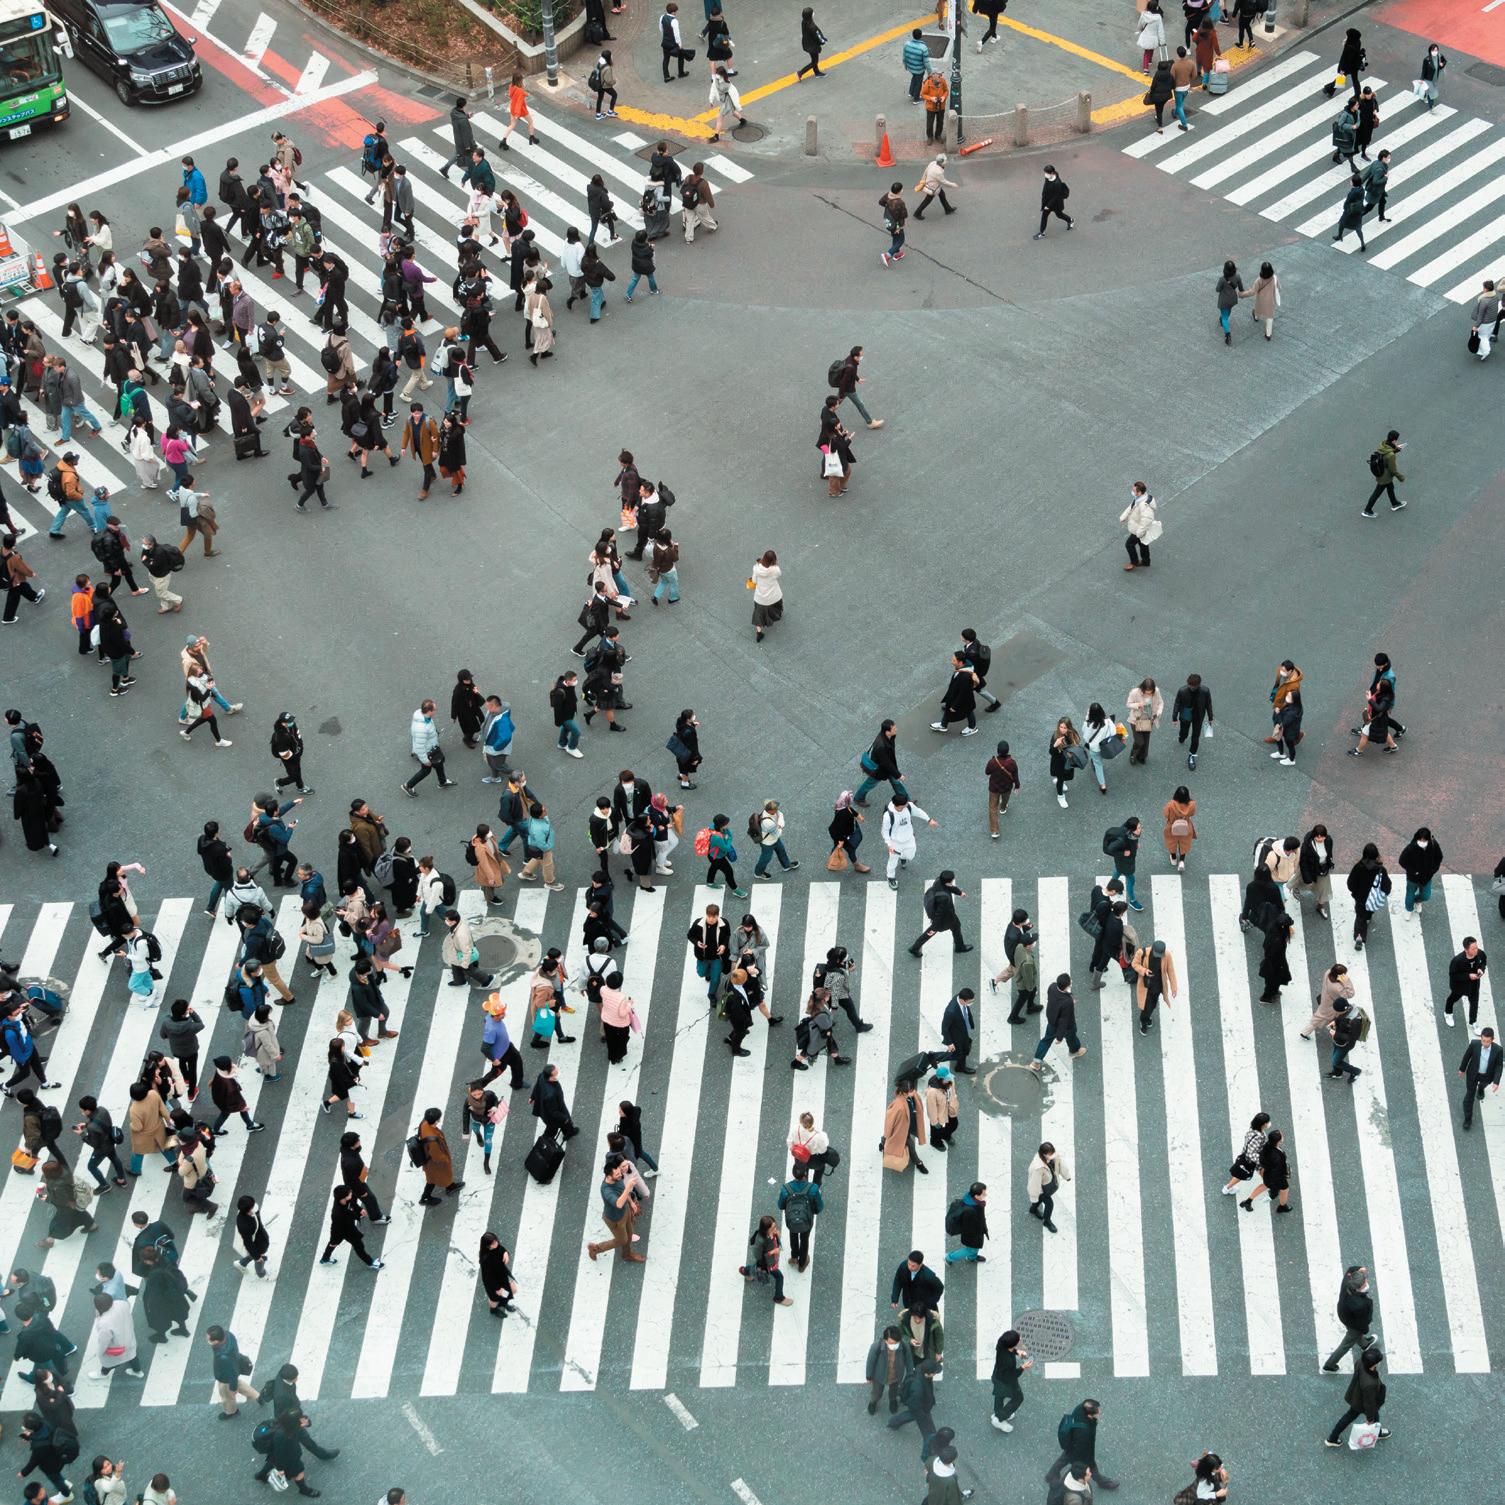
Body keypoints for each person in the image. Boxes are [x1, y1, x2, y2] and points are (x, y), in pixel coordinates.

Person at [1325, 1345, 1389, 1448]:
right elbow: (1369, 1403)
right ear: (1374, 1364)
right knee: (1366, 1413)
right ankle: (1332, 1438)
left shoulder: (1360, 1362)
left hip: (1356, 1394)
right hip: (1361, 1402)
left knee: (1353, 1415)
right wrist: (1369, 1418)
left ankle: (1333, 1438)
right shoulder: (1370, 1384)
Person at [587, 1152, 644, 1262]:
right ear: (608, 1176)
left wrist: (631, 1203)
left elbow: (622, 1191)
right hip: (615, 1219)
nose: (620, 1175)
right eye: (617, 1174)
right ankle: (596, 1248)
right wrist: (629, 1187)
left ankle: (627, 1254)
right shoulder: (606, 1190)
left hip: (625, 1211)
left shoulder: (617, 1178)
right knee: (622, 1240)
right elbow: (618, 1204)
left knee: (630, 1234)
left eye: (619, 1172)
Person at [882, 793, 937, 893]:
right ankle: (890, 877)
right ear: (899, 806)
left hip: (909, 838)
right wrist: (889, 845)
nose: (908, 804)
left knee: (910, 855)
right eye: (905, 804)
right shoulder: (888, 816)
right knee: (893, 861)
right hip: (895, 842)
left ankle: (903, 857)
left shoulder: (908, 807)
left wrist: (929, 820)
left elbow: (918, 812)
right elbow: (885, 831)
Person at [776, 1161, 823, 1271]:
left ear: (793, 1174)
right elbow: (819, 1207)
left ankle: (794, 1257)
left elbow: (780, 1205)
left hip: (791, 1220)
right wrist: (813, 1211)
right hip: (807, 1220)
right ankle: (802, 1264)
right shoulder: (813, 1188)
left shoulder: (786, 1188)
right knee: (804, 1239)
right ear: (805, 1174)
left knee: (793, 1235)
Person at [1030, 975, 1085, 1070]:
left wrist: (1069, 999)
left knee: (1046, 1040)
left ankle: (1036, 1062)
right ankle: (1074, 1051)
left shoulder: (1052, 987)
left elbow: (1055, 999)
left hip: (1052, 1020)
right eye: (1070, 983)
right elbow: (1064, 1021)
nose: (1071, 982)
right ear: (1066, 987)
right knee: (1071, 1036)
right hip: (1067, 1026)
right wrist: (1059, 1037)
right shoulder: (1067, 1002)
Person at [911, 871, 971, 956]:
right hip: (946, 918)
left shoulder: (938, 881)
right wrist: (935, 925)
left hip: (945, 916)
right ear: (949, 881)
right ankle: (960, 947)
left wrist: (959, 892)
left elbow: (950, 887)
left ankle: (915, 948)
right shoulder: (944, 899)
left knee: (955, 926)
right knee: (951, 927)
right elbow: (940, 913)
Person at [867, 1325, 914, 1416]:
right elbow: (870, 1362)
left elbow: (909, 1360)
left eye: (896, 1343)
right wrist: (869, 1376)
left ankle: (893, 1401)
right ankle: (873, 1402)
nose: (894, 1345)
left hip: (896, 1375)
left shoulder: (904, 1346)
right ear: (885, 1340)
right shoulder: (876, 1347)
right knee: (877, 1392)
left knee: (894, 1391)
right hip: (880, 1375)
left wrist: (910, 1373)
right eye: (891, 1343)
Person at [883, 1082, 928, 1175]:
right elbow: (890, 1120)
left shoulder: (912, 1096)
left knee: (888, 1138)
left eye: (913, 1090)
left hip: (908, 1125)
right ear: (904, 1093)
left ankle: (882, 1143)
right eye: (911, 1091)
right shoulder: (898, 1105)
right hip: (901, 1129)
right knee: (910, 1145)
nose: (913, 1092)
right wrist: (888, 1132)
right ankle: (918, 1163)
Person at [1460, 1028, 1502, 1130]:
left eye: (1488, 1041)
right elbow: (1467, 1056)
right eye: (1483, 1040)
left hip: (1487, 1075)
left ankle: (1481, 1088)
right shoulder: (1474, 1044)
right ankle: (1468, 1119)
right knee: (1469, 1097)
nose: (1485, 1043)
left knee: (1483, 1085)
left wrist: (1496, 1081)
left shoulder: (1498, 1050)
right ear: (1481, 1038)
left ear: (1492, 1040)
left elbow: (1499, 1065)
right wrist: (1462, 1069)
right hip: (1473, 1074)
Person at [1396, 826, 1441, 917]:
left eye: (1425, 840)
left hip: (1426, 877)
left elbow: (1439, 857)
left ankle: (1417, 901)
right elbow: (1402, 861)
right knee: (1410, 895)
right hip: (1413, 878)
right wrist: (1413, 872)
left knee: (1426, 896)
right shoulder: (1411, 848)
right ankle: (1409, 909)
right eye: (1420, 839)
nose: (1422, 842)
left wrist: (1433, 870)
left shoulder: (1433, 845)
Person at [1445, 938, 1488, 1028]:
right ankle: (1448, 1013)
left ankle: (1473, 1022)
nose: (1476, 950)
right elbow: (1453, 975)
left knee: (1474, 1004)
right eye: (1473, 949)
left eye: (1476, 947)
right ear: (1466, 949)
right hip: (1460, 986)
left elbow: (1483, 962)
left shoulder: (1480, 954)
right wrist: (1468, 976)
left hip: (1474, 985)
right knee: (1453, 999)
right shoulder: (1457, 961)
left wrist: (1481, 969)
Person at [1361, 429, 1406, 517]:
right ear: (1394, 441)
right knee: (1377, 493)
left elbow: (1386, 454)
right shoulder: (1391, 455)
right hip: (1385, 477)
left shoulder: (1383, 444)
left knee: (1390, 488)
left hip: (1381, 472)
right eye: (1396, 440)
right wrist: (1401, 477)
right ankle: (1367, 510)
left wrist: (1396, 449)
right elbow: (1393, 470)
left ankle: (1395, 503)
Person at [1026, 1141, 1068, 1233]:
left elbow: (1060, 1164)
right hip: (1041, 1190)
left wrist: (1066, 1175)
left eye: (1052, 1153)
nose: (1052, 1156)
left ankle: (1033, 1209)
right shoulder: (1037, 1168)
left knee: (1039, 1200)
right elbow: (1034, 1184)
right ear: (1043, 1154)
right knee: (1049, 1204)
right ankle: (1047, 1221)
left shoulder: (1053, 1156)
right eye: (1050, 1154)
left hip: (1048, 1185)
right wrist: (1035, 1196)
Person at [1119, 480, 1159, 572]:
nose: (1132, 492)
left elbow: (1147, 520)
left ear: (1139, 492)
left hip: (1139, 529)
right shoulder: (1139, 499)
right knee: (1143, 543)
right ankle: (1146, 561)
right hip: (1139, 527)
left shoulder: (1144, 506)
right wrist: (1124, 516)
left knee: (1129, 544)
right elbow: (1131, 506)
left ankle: (1134, 562)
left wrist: (1139, 533)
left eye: (1134, 491)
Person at [479, 1232, 518, 1316]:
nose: (496, 1243)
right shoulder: (486, 1260)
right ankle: (493, 1310)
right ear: (488, 1246)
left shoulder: (495, 1247)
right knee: (495, 1300)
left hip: (502, 1276)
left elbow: (501, 1249)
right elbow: (487, 1278)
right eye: (493, 1243)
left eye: (496, 1240)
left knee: (512, 1290)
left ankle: (503, 1303)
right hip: (494, 1284)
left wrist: (505, 1253)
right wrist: (497, 1289)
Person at [751, 549, 782, 643]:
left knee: (758, 614)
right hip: (774, 595)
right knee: (776, 606)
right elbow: (779, 575)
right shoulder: (775, 570)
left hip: (760, 597)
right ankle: (775, 616)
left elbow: (754, 581)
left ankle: (759, 633)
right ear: (774, 560)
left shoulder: (756, 568)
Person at [1035, 165, 1072, 239]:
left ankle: (1070, 220)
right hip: (1048, 201)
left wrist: (1048, 206)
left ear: (1052, 173)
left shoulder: (1057, 183)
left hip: (1055, 204)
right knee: (1044, 216)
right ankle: (1042, 233)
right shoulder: (1048, 178)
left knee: (1059, 215)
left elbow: (1056, 196)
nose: (1045, 175)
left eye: (1047, 173)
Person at [797, 8, 826, 78]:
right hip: (813, 46)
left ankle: (817, 73)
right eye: (812, 13)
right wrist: (823, 41)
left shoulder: (804, 22)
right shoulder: (812, 27)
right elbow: (817, 36)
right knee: (814, 62)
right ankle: (800, 72)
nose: (813, 13)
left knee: (814, 59)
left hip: (807, 43)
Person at [902, 28, 929, 101]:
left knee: (914, 77)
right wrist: (930, 72)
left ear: (913, 35)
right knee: (918, 83)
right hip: (919, 69)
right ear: (921, 36)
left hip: (910, 67)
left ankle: (911, 92)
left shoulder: (907, 44)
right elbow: (926, 62)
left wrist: (905, 65)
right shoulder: (923, 48)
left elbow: (904, 56)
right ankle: (916, 99)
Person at [1420, 42, 1446, 109]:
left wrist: (1442, 64)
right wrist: (1422, 79)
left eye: (1436, 50)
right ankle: (1431, 107)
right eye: (1433, 50)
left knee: (1427, 90)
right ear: (1430, 51)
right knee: (1431, 93)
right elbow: (1424, 70)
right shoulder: (1426, 60)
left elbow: (1444, 61)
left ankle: (1424, 96)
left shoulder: (1439, 56)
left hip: (1435, 78)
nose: (1435, 52)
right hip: (1428, 79)